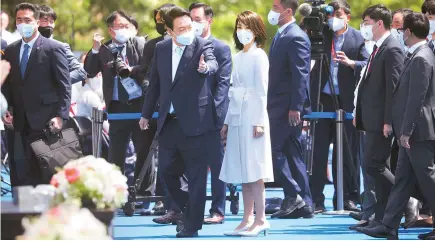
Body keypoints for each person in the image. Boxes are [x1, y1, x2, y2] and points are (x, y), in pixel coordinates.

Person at [139, 6, 218, 238]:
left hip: (195, 122)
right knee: (167, 171)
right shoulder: (161, 48)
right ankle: (189, 210)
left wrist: (205, 67)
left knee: (196, 176)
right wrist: (145, 114)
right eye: (181, 28)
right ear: (170, 31)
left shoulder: (202, 45)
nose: (187, 31)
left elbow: (213, 64)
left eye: (189, 27)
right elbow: (154, 84)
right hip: (169, 122)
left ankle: (191, 225)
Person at [360, 12, 435, 240]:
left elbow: (417, 99)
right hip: (412, 130)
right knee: (402, 179)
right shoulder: (418, 54)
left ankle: (389, 224)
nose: (400, 34)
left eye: (402, 31)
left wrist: (406, 131)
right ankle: (389, 224)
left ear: (409, 32)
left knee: (429, 180)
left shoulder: (422, 57)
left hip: (418, 131)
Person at [84, 11, 156, 202]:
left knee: (144, 150)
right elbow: (90, 71)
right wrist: (95, 50)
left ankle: (143, 193)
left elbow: (148, 70)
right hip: (116, 109)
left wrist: (131, 71)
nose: (124, 30)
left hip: (140, 106)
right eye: (119, 26)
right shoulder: (104, 49)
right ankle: (116, 193)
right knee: (116, 153)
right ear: (111, 30)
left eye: (127, 26)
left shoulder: (139, 44)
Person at [1, 2, 70, 185]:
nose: (23, 23)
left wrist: (61, 115)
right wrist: (5, 110)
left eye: (27, 20)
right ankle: (21, 211)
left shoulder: (53, 48)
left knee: (46, 171)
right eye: (19, 20)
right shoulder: (11, 50)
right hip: (18, 122)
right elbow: (7, 84)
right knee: (20, 171)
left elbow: (65, 85)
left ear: (37, 22)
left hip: (46, 121)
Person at [309, 0, 369, 214]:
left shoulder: (358, 37)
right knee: (318, 150)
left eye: (338, 14)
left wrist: (351, 63)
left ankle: (347, 197)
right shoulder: (320, 34)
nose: (333, 18)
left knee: (347, 150)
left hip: (346, 99)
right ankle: (315, 198)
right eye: (330, 14)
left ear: (348, 17)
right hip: (322, 97)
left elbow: (367, 63)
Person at [219, 10, 272, 237]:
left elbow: (262, 91)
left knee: (255, 168)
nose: (242, 31)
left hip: (253, 116)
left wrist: (259, 122)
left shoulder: (260, 56)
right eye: (239, 27)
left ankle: (261, 218)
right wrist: (228, 122)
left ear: (256, 30)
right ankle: (247, 217)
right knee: (243, 168)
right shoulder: (238, 57)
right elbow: (233, 92)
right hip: (238, 115)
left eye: (246, 27)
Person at [355, 4, 404, 230]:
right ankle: (384, 220)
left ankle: (408, 196)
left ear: (379, 24)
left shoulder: (392, 48)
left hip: (382, 123)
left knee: (373, 165)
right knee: (374, 166)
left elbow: (392, 89)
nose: (363, 27)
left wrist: (387, 121)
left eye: (366, 23)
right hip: (372, 120)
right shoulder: (378, 47)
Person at [267, 0, 313, 219]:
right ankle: (305, 203)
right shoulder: (282, 34)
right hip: (279, 105)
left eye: (275, 9)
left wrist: (296, 106)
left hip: (286, 107)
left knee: (274, 150)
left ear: (287, 11)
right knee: (292, 154)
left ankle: (294, 195)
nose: (272, 12)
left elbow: (300, 75)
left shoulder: (295, 36)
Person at [189, 2, 231, 225]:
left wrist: (218, 116)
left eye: (198, 19)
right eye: (191, 19)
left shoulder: (221, 48)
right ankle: (190, 209)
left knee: (217, 166)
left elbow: (223, 85)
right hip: (187, 117)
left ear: (209, 21)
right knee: (192, 165)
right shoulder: (184, 46)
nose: (194, 24)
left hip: (212, 117)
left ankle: (218, 210)